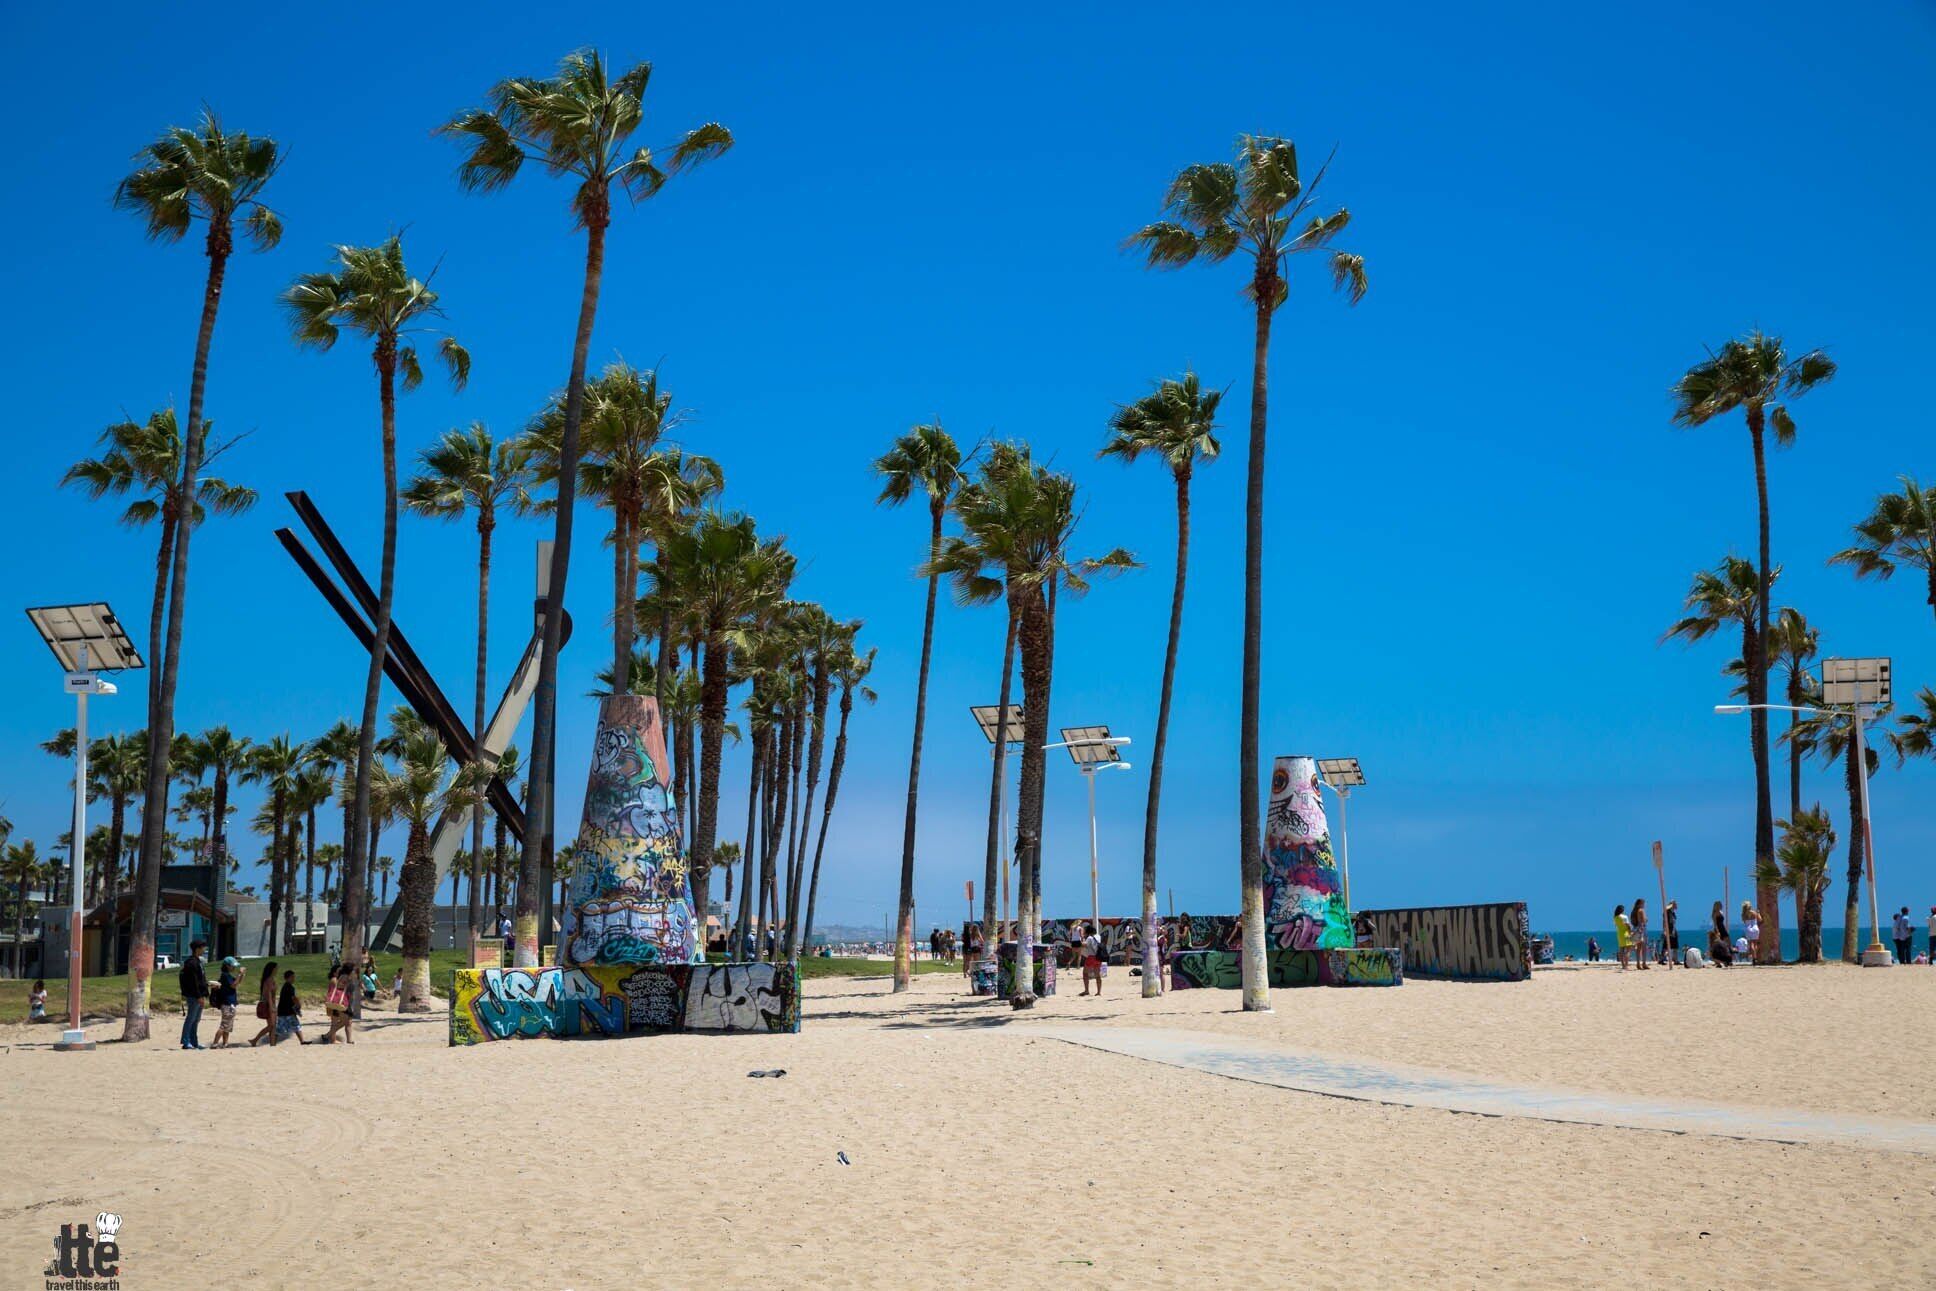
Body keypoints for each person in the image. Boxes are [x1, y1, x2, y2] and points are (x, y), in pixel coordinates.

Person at [178, 938, 209, 1049]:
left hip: (199, 994)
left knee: (196, 1019)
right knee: (190, 1018)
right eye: (202, 947)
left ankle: (194, 1041)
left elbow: (201, 979)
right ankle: (186, 1041)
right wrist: (199, 996)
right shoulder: (191, 963)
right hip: (194, 996)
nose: (204, 949)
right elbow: (193, 982)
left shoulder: (198, 961)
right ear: (197, 949)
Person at [212, 957, 243, 1048]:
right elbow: (233, 985)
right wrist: (239, 974)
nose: (234, 968)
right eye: (232, 966)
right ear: (227, 966)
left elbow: (236, 983)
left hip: (230, 1003)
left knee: (228, 1025)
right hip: (227, 1003)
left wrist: (242, 975)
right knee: (224, 1025)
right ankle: (215, 1043)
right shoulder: (225, 975)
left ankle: (225, 1043)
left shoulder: (227, 975)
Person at [250, 959, 280, 1047]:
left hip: (271, 1004)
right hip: (268, 1005)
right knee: (271, 1026)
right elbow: (268, 995)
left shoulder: (270, 979)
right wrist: (272, 1007)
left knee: (272, 1026)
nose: (277, 970)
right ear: (272, 969)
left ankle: (272, 1044)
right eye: (276, 968)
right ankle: (255, 1040)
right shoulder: (269, 980)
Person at [323, 966, 355, 1044]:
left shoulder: (338, 979)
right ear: (334, 972)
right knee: (346, 1021)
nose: (340, 971)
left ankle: (332, 1038)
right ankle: (328, 1036)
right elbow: (336, 991)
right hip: (337, 1003)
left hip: (339, 1003)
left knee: (344, 1022)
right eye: (338, 971)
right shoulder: (335, 980)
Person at [276, 969, 307, 1045]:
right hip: (288, 1011)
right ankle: (302, 1041)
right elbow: (294, 998)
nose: (294, 979)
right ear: (287, 978)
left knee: (279, 1029)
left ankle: (273, 1042)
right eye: (292, 977)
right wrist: (298, 1005)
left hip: (281, 1011)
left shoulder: (284, 986)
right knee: (296, 1026)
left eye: (294, 977)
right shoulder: (290, 987)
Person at [1078, 923, 1104, 996]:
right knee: (1097, 975)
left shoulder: (1089, 938)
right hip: (1099, 957)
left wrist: (1081, 937)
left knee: (1085, 973)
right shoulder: (1098, 937)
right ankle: (1099, 992)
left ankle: (1086, 991)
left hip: (1091, 957)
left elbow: (1083, 945)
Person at [1708, 902, 1733, 967]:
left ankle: (1727, 960)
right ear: (1716, 906)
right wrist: (1717, 931)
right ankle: (1720, 961)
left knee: (1726, 944)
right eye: (1719, 905)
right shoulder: (1715, 913)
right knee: (1721, 945)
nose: (1721, 906)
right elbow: (1715, 923)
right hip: (1719, 929)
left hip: (1722, 927)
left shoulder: (1720, 912)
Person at [1630, 899, 1650, 971]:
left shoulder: (1634, 911)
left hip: (1637, 928)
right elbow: (1644, 920)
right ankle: (1644, 963)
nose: (1644, 905)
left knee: (1638, 948)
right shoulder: (1641, 910)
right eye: (1643, 903)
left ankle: (1638, 963)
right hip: (1642, 929)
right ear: (1640, 904)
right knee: (1644, 948)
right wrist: (1646, 919)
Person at [1612, 904, 1632, 970]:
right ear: (1622, 910)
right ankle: (1626, 965)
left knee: (1621, 950)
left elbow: (1616, 925)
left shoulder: (1615, 917)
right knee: (1628, 950)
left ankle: (1623, 965)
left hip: (1619, 933)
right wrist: (1631, 932)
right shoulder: (1624, 917)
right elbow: (1628, 925)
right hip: (1626, 933)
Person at [1662, 901, 1679, 968]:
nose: (1677, 906)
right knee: (1666, 945)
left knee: (1675, 945)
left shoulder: (1672, 913)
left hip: (1673, 930)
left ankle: (1675, 959)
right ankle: (1662, 959)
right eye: (1675, 904)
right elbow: (1664, 921)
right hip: (1669, 930)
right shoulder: (1667, 912)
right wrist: (1665, 930)